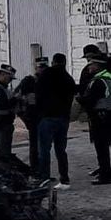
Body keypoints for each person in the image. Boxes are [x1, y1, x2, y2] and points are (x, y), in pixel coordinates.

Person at [36, 53, 77, 189]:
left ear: (53, 62)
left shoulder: (45, 75)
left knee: (44, 150)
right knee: (61, 150)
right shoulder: (68, 78)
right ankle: (64, 179)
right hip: (63, 118)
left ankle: (44, 178)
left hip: (47, 117)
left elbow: (38, 95)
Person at [80, 57, 111, 185]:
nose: (89, 67)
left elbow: (91, 100)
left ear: (98, 66)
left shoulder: (98, 81)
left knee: (101, 147)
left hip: (100, 116)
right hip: (108, 115)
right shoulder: (108, 77)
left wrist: (80, 100)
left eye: (91, 65)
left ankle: (105, 175)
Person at [14, 57, 47, 174]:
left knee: (44, 146)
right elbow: (16, 97)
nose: (42, 70)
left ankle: (42, 171)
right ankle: (35, 170)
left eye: (44, 67)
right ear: (36, 68)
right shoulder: (29, 81)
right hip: (33, 117)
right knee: (35, 146)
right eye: (40, 67)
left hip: (45, 117)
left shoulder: (48, 81)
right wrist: (24, 116)